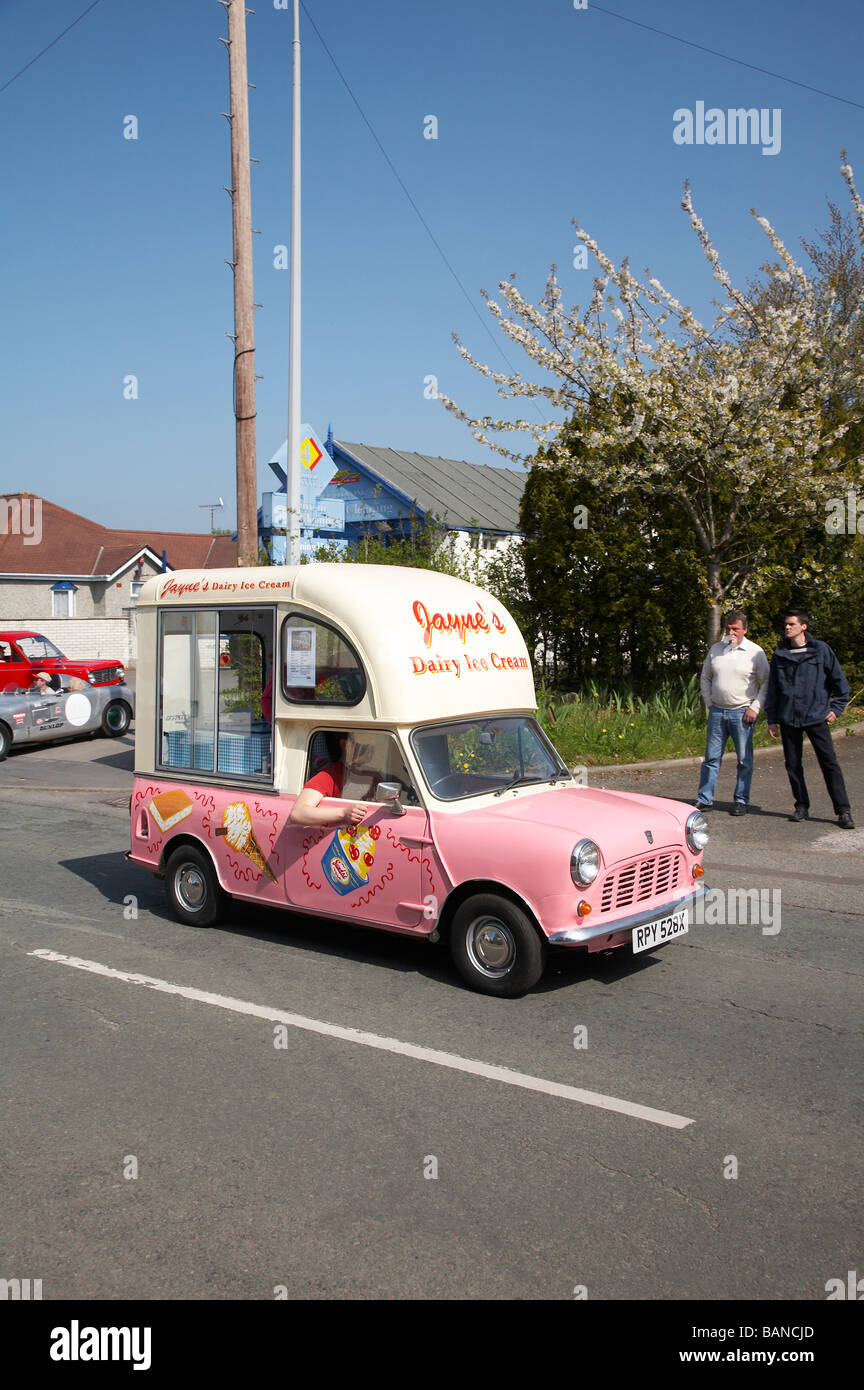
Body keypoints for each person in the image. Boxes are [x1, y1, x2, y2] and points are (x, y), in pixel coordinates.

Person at [765, 610, 854, 829]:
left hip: (815, 716)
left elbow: (840, 683)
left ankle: (843, 811)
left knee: (829, 763)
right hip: (789, 718)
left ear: (803, 626)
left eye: (792, 624)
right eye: (785, 624)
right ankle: (801, 806)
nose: (787, 628)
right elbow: (773, 690)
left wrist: (836, 708)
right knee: (793, 765)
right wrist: (772, 718)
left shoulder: (821, 650)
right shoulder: (780, 654)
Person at [695, 609, 769, 816]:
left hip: (742, 713)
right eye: (728, 628)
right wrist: (709, 703)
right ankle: (705, 799)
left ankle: (741, 800)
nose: (731, 632)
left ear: (744, 629)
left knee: (744, 760)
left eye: (736, 629)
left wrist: (755, 707)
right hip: (717, 712)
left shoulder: (756, 652)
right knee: (711, 758)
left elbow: (767, 682)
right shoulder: (716, 649)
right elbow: (705, 677)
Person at [289, 732, 370, 827]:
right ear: (345, 745)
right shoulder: (329, 776)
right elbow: (298, 813)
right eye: (362, 748)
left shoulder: (375, 775)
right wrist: (343, 813)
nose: (367, 753)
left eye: (370, 749)